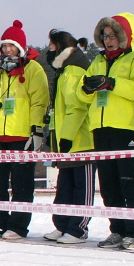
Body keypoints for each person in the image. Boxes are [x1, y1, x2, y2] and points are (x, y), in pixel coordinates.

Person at [78, 13, 134, 250]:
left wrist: (112, 83)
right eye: (105, 36)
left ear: (124, 36)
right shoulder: (97, 60)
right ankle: (117, 230)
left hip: (125, 128)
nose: (108, 40)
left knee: (129, 182)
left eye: (113, 35)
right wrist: (86, 89)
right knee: (108, 184)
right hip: (100, 128)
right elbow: (83, 93)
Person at [0, 20, 49, 240]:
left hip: (22, 134)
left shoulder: (33, 69)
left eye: (12, 46)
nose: (8, 50)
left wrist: (36, 130)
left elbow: (40, 101)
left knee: (21, 184)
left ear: (20, 47)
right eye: (4, 46)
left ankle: (18, 226)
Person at [43, 30, 96, 244]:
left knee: (81, 187)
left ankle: (78, 229)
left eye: (51, 44)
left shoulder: (73, 72)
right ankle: (62, 224)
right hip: (65, 143)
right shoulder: (63, 72)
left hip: (80, 142)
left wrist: (66, 137)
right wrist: (54, 137)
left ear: (61, 47)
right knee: (64, 186)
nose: (48, 48)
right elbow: (61, 110)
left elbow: (78, 107)